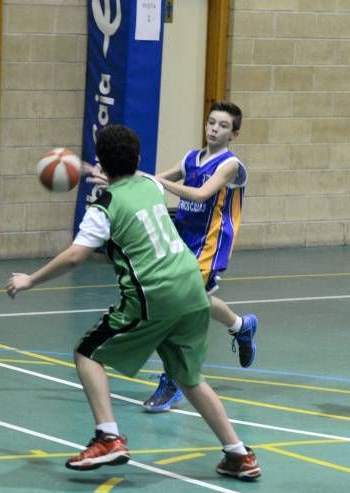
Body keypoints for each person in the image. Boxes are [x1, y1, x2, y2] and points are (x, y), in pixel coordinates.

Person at [6, 124, 261, 480]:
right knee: (189, 377)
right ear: (138, 159)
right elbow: (134, 180)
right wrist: (105, 171)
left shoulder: (104, 207)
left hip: (154, 295)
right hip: (192, 289)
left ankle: (108, 437)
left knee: (87, 353)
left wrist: (30, 279)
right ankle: (239, 454)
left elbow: (76, 256)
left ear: (103, 163)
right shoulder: (151, 185)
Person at [89, 101, 257, 413]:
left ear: (234, 134)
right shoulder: (191, 158)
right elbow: (149, 179)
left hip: (210, 243)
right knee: (197, 300)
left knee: (180, 305)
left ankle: (174, 379)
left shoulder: (231, 165)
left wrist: (148, 178)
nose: (214, 128)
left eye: (222, 125)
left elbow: (200, 194)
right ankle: (240, 325)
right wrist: (118, 178)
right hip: (179, 239)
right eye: (211, 122)